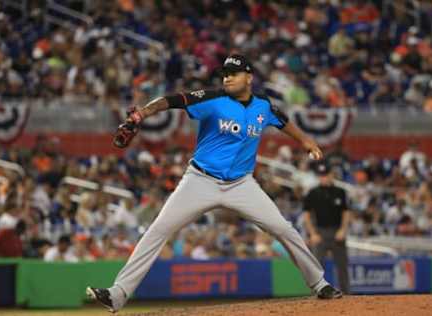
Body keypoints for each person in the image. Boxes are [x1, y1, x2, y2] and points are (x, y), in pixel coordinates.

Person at [87, 54, 342, 313]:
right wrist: (142, 113)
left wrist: (307, 141)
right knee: (158, 230)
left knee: (283, 229)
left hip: (241, 185)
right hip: (200, 180)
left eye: (234, 73)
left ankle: (319, 284)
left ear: (249, 77)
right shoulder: (213, 99)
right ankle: (117, 294)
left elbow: (283, 121)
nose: (227, 77)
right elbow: (173, 100)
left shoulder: (263, 106)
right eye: (225, 74)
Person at [303, 162, 351, 294]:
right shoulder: (312, 193)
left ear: (331, 175)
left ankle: (346, 294)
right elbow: (306, 215)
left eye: (325, 175)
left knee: (342, 266)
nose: (323, 178)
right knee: (316, 266)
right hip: (320, 232)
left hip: (337, 231)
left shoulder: (340, 192)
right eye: (321, 175)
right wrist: (312, 233)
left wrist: (343, 230)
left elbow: (346, 213)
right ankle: (316, 294)